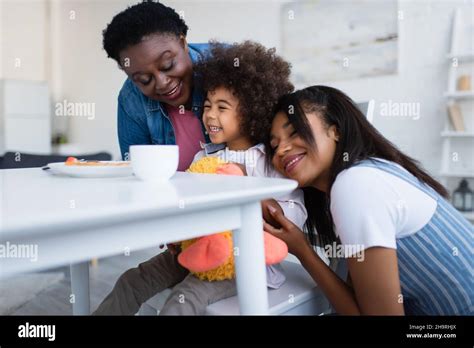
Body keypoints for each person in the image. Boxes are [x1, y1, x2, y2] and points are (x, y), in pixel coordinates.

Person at [94, 41, 307, 315]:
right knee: (130, 281)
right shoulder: (204, 159)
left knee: (185, 298)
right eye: (207, 106)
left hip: (245, 265)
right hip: (195, 253)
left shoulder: (269, 161)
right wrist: (176, 232)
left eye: (222, 107)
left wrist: (254, 200)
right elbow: (185, 205)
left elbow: (295, 216)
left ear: (253, 109)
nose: (210, 115)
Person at [263, 85, 473, 315]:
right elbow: (360, 305)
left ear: (336, 131)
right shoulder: (369, 171)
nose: (281, 149)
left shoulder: (356, 184)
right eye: (273, 147)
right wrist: (301, 247)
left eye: (294, 132)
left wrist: (303, 250)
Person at [102, 1, 210, 170]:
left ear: (183, 44)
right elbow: (138, 173)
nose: (162, 83)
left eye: (168, 65)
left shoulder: (230, 69)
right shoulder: (131, 98)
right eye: (144, 79)